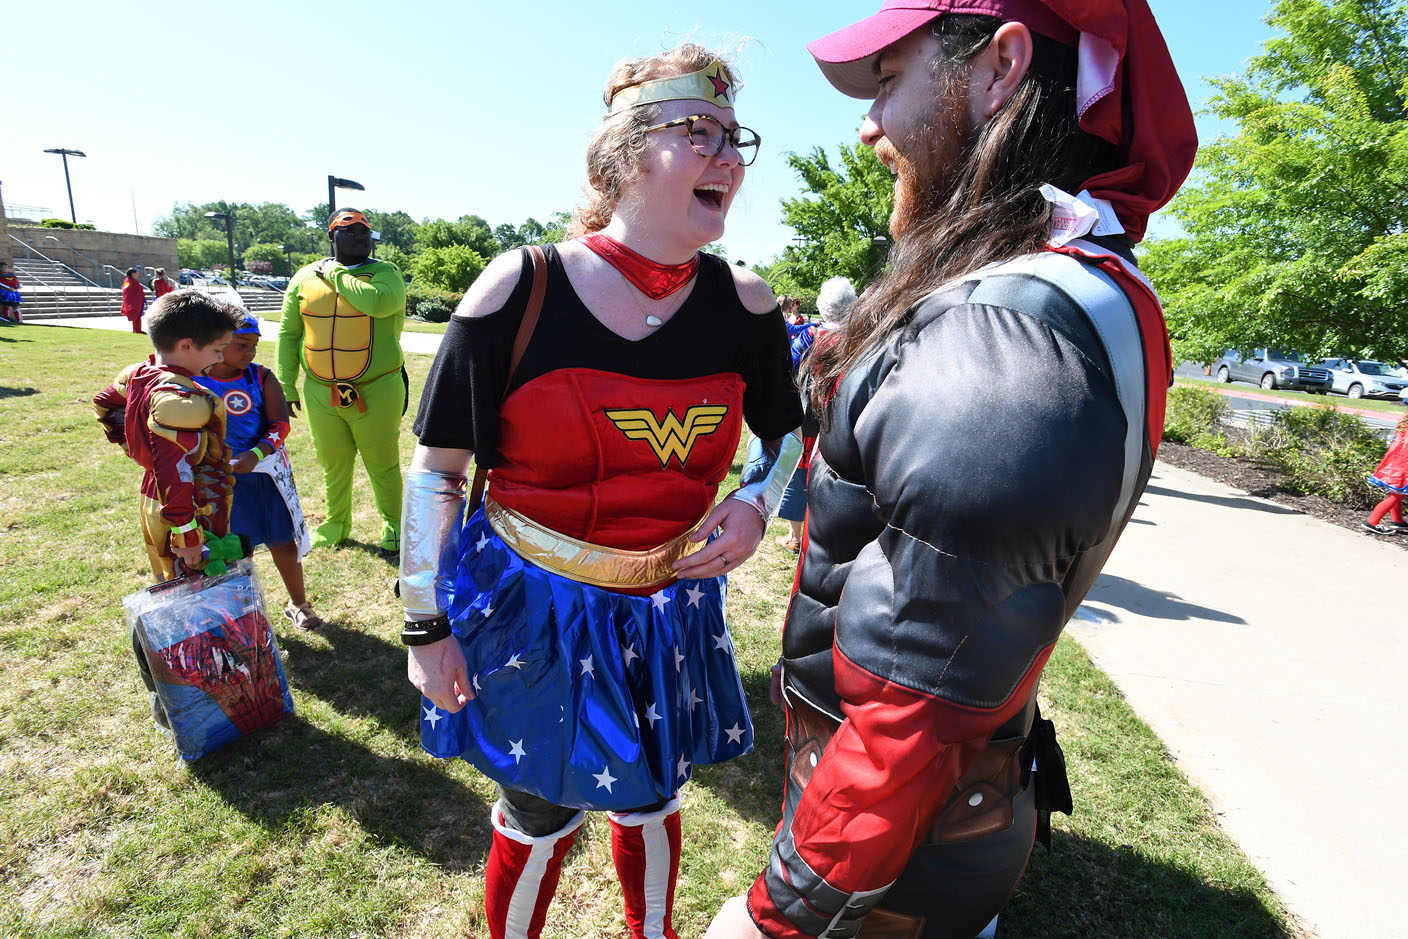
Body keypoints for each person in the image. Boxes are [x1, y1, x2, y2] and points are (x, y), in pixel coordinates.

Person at [706, 3, 1197, 938]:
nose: (867, 124)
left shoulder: (996, 336)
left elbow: (910, 727)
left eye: (889, 79)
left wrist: (773, 918)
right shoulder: (1075, 282)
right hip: (942, 821)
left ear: (1001, 68)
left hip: (891, 865)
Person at [400, 44, 802, 939]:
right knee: (540, 808)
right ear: (621, 154)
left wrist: (755, 499)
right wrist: (426, 627)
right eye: (698, 132)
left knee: (652, 796)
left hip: (667, 606)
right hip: (529, 605)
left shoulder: (748, 304)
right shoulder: (521, 285)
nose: (728, 158)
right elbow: (438, 470)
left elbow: (787, 431)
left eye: (736, 139)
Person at [276, 209, 408, 556]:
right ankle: (335, 522)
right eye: (349, 231)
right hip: (321, 391)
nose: (360, 236)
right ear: (331, 236)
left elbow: (378, 304)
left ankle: (394, 524)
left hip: (377, 388)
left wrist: (335, 274)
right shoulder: (304, 277)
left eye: (365, 231)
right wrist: (286, 384)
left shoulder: (386, 274)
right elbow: (289, 334)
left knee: (383, 462)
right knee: (332, 462)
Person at [92, 290, 243, 582]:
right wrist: (186, 533)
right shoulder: (179, 399)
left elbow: (104, 404)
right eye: (217, 349)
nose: (221, 357)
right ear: (187, 345)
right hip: (189, 506)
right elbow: (176, 469)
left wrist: (134, 446)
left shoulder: (138, 374)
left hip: (155, 497)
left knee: (172, 582)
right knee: (202, 591)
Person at [193, 313, 322, 627]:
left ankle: (298, 603)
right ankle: (245, 614)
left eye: (254, 345)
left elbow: (280, 424)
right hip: (221, 484)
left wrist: (256, 454)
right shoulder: (197, 379)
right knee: (235, 548)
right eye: (242, 345)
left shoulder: (260, 377)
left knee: (282, 541)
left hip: (265, 476)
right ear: (219, 343)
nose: (249, 352)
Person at [775, 276, 856, 554]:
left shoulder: (812, 335)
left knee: (800, 474)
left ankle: (795, 536)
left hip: (810, 420)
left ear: (822, 305)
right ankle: (825, 536)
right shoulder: (858, 339)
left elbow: (790, 366)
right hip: (843, 421)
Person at [1362, 401, 1408, 535]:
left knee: (1396, 494)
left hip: (1394, 466)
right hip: (1403, 468)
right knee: (1396, 496)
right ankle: (1372, 522)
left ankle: (1398, 520)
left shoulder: (1403, 426)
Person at [121, 268, 147, 334]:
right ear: (133, 274)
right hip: (134, 301)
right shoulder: (132, 281)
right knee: (136, 316)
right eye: (137, 273)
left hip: (135, 300)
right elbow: (127, 291)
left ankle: (137, 329)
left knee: (137, 316)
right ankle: (136, 330)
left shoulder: (128, 281)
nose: (138, 274)